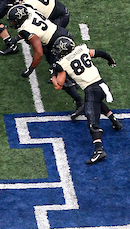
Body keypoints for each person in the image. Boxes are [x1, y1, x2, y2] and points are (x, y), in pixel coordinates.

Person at [49, 35, 121, 163]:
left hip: (92, 90)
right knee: (97, 103)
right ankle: (114, 121)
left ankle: (99, 151)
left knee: (92, 122)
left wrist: (53, 75)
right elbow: (100, 53)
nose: (57, 52)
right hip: (101, 85)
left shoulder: (62, 63)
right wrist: (110, 60)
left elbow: (58, 86)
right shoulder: (81, 49)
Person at [7, 2, 67, 78]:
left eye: (13, 21)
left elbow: (39, 53)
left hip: (57, 42)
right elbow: (33, 28)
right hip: (60, 32)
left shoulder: (26, 29)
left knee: (63, 64)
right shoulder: (29, 9)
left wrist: (30, 69)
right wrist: (15, 39)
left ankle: (68, 82)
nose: (12, 23)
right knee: (53, 59)